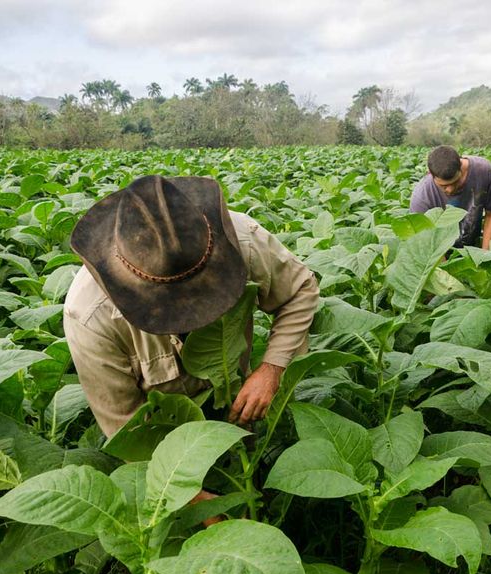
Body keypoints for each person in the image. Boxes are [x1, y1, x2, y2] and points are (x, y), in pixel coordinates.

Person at [63, 175, 319, 439]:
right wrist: (185, 476)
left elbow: (299, 291)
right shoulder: (90, 317)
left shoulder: (241, 240)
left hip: (242, 416)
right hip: (170, 439)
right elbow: (130, 433)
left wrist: (271, 368)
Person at [409, 146, 491, 250]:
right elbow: (427, 242)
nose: (450, 190)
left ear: (461, 166)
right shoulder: (422, 197)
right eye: (443, 186)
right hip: (440, 251)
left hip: (473, 247)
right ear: (430, 174)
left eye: (455, 182)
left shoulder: (483, 171)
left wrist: (485, 256)